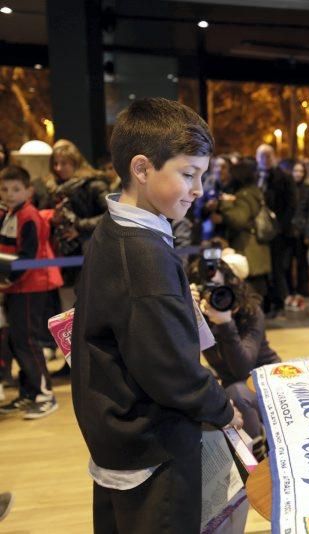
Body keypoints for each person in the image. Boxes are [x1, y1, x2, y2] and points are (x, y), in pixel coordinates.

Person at [70, 98, 242, 533]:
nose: (198, 190)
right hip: (152, 444)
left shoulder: (116, 227)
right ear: (142, 168)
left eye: (201, 176)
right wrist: (222, 408)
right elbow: (169, 369)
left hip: (117, 428)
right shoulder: (142, 254)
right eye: (188, 174)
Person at [188, 251, 280, 455]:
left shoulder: (251, 311)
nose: (217, 297)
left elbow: (242, 369)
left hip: (268, 381)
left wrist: (225, 324)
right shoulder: (198, 316)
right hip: (233, 385)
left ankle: (257, 460)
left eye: (221, 289)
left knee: (237, 393)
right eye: (208, 291)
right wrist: (186, 312)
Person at [0, 165, 63, 418]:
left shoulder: (29, 216)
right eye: (4, 189)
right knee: (17, 340)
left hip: (29, 287)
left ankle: (45, 395)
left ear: (28, 190)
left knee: (28, 341)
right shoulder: (9, 214)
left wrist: (6, 281)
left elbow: (27, 257)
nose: (9, 194)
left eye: (15, 189)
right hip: (14, 287)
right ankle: (28, 392)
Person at [217, 158, 272, 305]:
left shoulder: (244, 195)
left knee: (251, 294)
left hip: (249, 249)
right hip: (257, 249)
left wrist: (226, 204)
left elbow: (238, 220)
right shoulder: (255, 191)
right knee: (257, 290)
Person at [256, 144, 296, 315]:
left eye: (268, 155)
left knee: (277, 267)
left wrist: (280, 226)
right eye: (262, 156)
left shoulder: (283, 178)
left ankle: (279, 302)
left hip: (278, 231)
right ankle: (265, 302)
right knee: (262, 267)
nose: (265, 159)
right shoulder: (255, 176)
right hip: (259, 230)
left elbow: (291, 204)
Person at [287, 161, 309, 308]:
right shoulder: (288, 188)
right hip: (289, 231)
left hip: (302, 231)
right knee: (287, 262)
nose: (298, 173)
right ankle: (290, 290)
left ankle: (301, 289)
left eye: (300, 171)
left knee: (302, 263)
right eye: (295, 171)